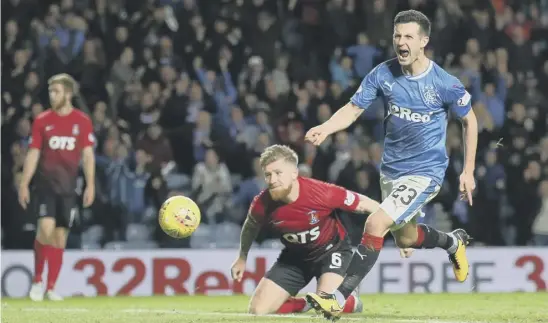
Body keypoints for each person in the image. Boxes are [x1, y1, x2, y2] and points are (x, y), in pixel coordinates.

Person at [304, 10, 478, 320]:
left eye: (408, 36)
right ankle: (454, 242)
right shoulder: (382, 74)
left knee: (376, 224)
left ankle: (338, 297)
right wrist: (326, 128)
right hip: (391, 171)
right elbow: (353, 108)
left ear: (423, 41)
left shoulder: (444, 83)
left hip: (426, 172)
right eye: (397, 35)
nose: (401, 42)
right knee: (407, 238)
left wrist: (468, 170)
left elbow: (470, 120)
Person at [230, 144, 382, 315]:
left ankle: (351, 302)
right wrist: (242, 257)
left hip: (332, 252)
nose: (272, 180)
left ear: (294, 173)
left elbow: (364, 204)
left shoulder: (321, 192)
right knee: (257, 311)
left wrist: (397, 228)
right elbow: (250, 226)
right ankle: (306, 303)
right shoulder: (262, 203)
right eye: (268, 175)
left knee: (328, 307)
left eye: (278, 173)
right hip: (295, 258)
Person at [18, 73, 96, 301]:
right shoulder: (42, 120)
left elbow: (88, 155)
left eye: (57, 91)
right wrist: (24, 182)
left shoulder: (82, 121)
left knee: (60, 238)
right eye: (51, 91)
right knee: (45, 228)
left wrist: (90, 185)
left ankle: (51, 287)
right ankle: (37, 281)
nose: (52, 96)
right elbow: (33, 153)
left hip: (69, 188)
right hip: (46, 186)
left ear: (69, 94)